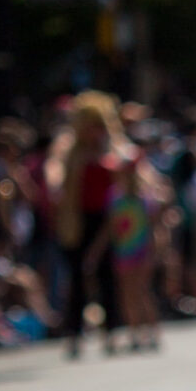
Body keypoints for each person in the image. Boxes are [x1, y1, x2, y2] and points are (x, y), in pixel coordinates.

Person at [46, 92, 134, 358]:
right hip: (77, 219)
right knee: (76, 278)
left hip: (109, 221)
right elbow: (55, 170)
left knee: (108, 277)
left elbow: (135, 170)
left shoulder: (114, 146)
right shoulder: (68, 146)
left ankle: (111, 333)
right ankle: (73, 334)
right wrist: (55, 185)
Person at [81, 158, 162, 352]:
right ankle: (135, 333)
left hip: (142, 252)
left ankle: (152, 331)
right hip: (123, 252)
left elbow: (154, 227)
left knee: (142, 291)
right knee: (126, 294)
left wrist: (156, 251)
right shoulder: (114, 198)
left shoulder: (145, 198)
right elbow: (109, 228)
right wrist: (95, 252)